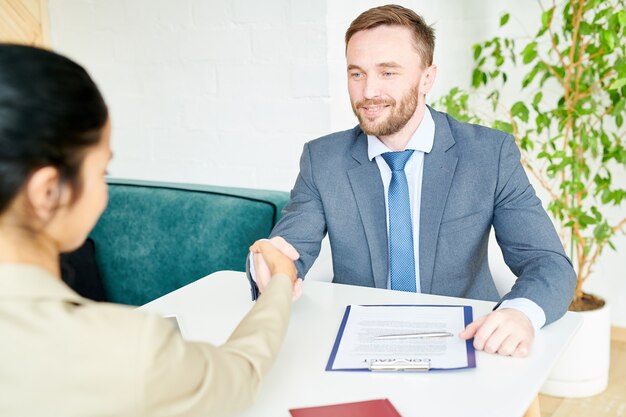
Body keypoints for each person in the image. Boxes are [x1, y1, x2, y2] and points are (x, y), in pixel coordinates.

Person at [249, 5, 576, 358]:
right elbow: (286, 252)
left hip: (467, 341)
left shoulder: (489, 155)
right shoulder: (322, 160)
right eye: (356, 74)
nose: (368, 91)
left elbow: (549, 264)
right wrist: (268, 267)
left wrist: (520, 313)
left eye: (387, 72)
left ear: (427, 78)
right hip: (360, 345)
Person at [0, 44, 298, 417]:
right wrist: (281, 283)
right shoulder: (122, 349)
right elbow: (239, 375)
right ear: (48, 193)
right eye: (101, 172)